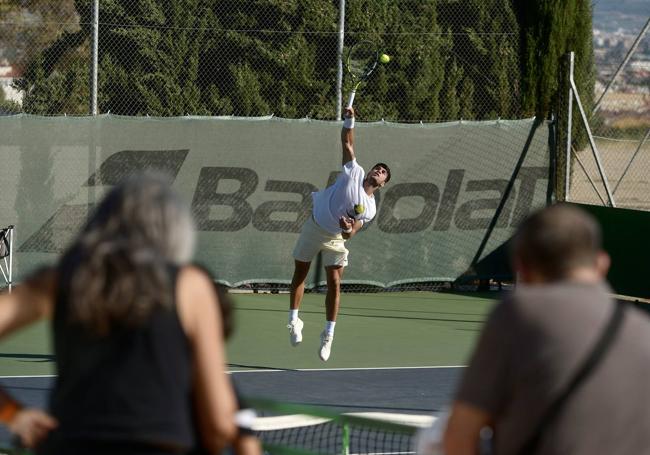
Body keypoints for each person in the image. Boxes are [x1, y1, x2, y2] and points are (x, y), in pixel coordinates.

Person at [0, 174, 238, 454]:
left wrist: (12, 414)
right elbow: (220, 422)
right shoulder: (191, 286)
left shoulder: (62, 281)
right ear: (177, 230)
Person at [440, 204, 650, 455]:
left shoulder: (518, 314)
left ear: (522, 269)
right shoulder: (642, 329)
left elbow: (459, 437)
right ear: (602, 264)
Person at [287, 106, 391, 362]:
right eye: (377, 168)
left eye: (383, 172)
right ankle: (294, 321)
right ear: (369, 172)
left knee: (334, 282)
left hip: (334, 237)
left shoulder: (370, 208)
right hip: (314, 226)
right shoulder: (353, 171)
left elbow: (350, 235)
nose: (378, 170)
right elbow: (347, 141)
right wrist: (350, 118)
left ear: (383, 184)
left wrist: (346, 229)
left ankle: (328, 335)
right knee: (300, 273)